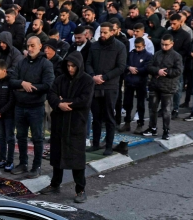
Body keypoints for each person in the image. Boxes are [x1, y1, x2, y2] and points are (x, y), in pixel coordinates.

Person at [48, 53, 94, 203]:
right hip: (60, 123)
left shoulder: (87, 81)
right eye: (68, 66)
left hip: (76, 124)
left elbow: (84, 100)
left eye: (73, 66)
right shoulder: (60, 79)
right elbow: (52, 94)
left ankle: (80, 190)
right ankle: (55, 184)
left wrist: (64, 101)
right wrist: (58, 103)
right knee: (57, 156)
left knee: (77, 159)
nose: (70, 69)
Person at [10, 35, 55, 176]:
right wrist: (22, 84)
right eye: (28, 45)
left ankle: (36, 166)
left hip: (36, 106)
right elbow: (12, 80)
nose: (29, 48)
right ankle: (23, 163)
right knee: (21, 137)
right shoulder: (21, 63)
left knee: (37, 138)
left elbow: (48, 85)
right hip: (20, 106)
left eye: (33, 45)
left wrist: (28, 87)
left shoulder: (46, 64)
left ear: (40, 46)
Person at [87, 24, 127, 155]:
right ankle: (96, 144)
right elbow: (88, 63)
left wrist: (104, 77)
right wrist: (93, 76)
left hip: (110, 86)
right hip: (95, 85)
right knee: (96, 117)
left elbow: (121, 67)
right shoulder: (94, 46)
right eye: (101, 33)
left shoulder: (119, 47)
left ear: (112, 33)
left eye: (105, 33)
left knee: (110, 117)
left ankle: (109, 146)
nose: (102, 35)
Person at [145, 34, 184, 139]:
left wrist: (165, 72)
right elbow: (149, 66)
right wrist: (157, 71)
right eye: (162, 44)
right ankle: (152, 128)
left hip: (168, 87)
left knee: (166, 110)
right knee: (152, 108)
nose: (164, 47)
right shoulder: (157, 54)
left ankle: (166, 130)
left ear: (172, 44)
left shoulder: (176, 56)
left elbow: (178, 71)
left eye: (166, 45)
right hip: (155, 85)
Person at [121, 36, 151, 133]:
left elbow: (147, 68)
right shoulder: (131, 54)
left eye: (139, 47)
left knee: (140, 104)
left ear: (144, 46)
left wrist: (136, 70)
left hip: (141, 82)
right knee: (127, 104)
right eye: (136, 47)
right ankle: (127, 123)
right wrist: (129, 68)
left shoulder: (148, 55)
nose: (137, 49)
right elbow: (124, 64)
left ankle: (140, 123)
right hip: (130, 82)